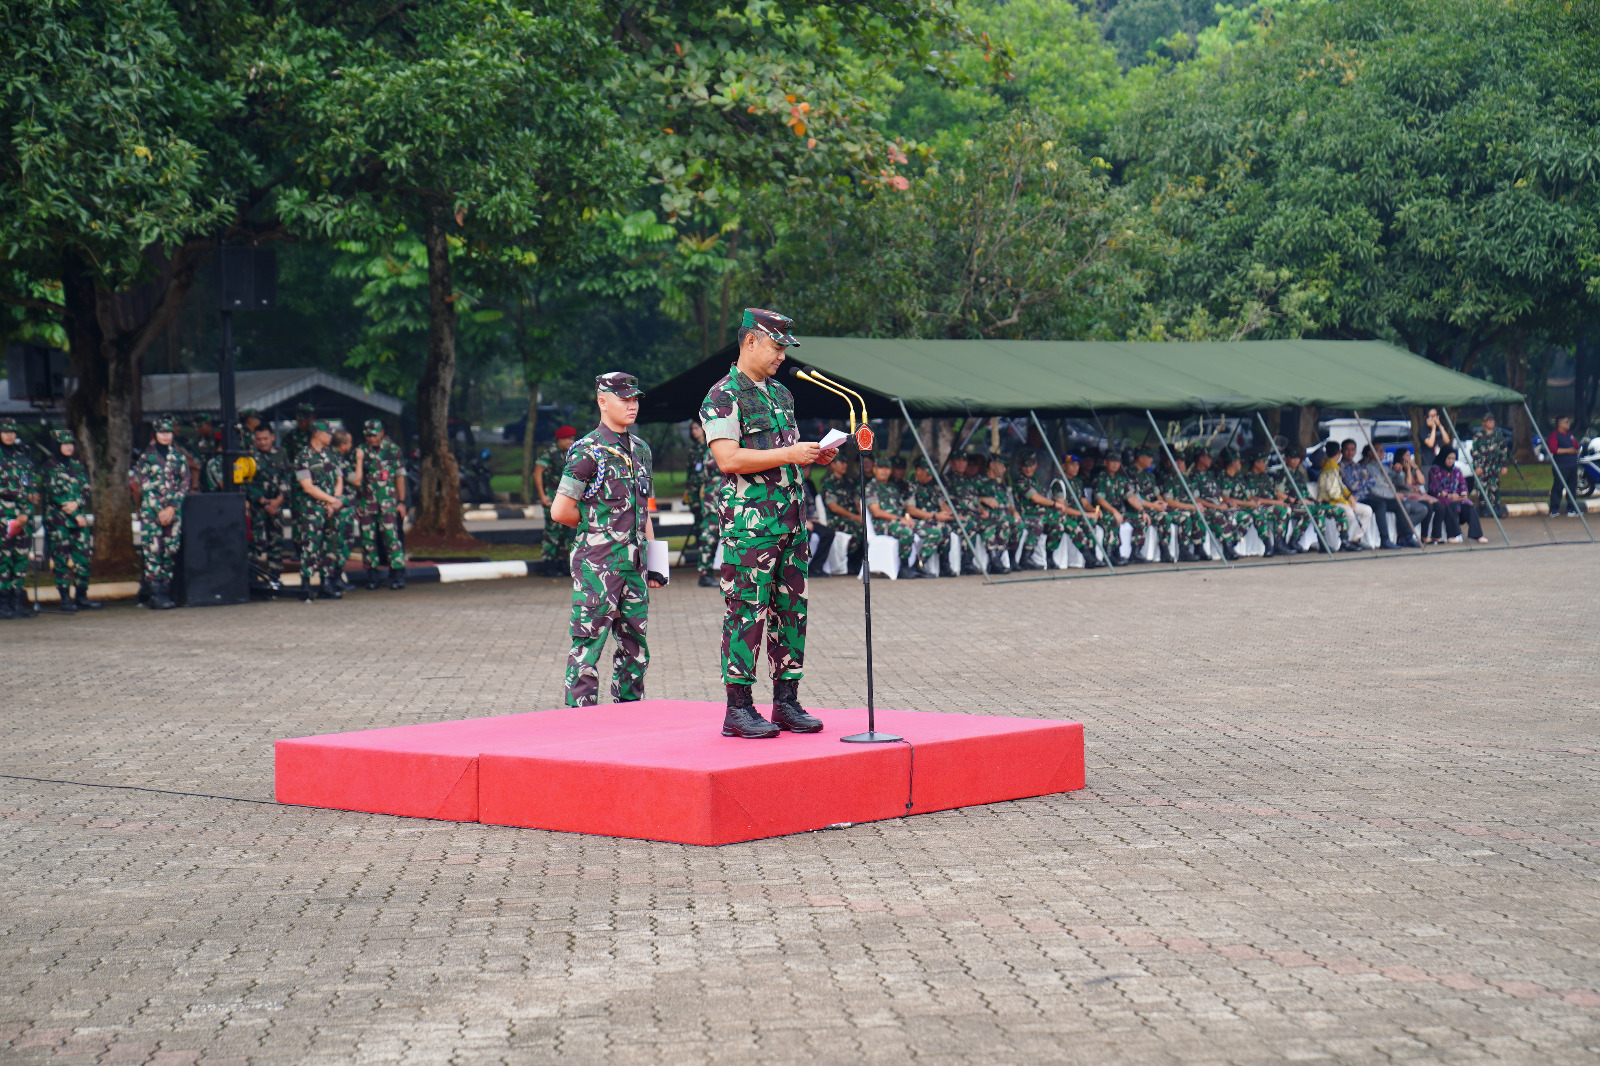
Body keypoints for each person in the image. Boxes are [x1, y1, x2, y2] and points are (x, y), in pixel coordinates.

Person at [698, 308, 837, 738]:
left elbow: (785, 456)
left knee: (791, 613)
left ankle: (786, 702)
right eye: (777, 346)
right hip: (752, 528)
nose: (781, 356)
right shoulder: (723, 395)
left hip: (792, 522)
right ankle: (738, 709)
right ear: (751, 341)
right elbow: (728, 458)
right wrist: (790, 454)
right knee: (747, 613)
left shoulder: (781, 394)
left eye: (785, 348)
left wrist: (812, 456)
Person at [552, 373, 663, 707]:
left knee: (636, 649)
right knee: (588, 646)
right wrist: (601, 528)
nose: (632, 406)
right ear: (602, 401)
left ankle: (629, 715)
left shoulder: (641, 450)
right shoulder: (587, 452)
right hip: (597, 565)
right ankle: (580, 721)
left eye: (635, 399)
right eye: (624, 399)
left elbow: (645, 512)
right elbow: (561, 510)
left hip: (635, 566)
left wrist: (656, 565)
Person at [132, 416, 189, 609]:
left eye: (168, 432)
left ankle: (164, 591)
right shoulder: (145, 458)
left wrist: (172, 508)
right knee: (153, 551)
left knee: (170, 550)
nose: (165, 436)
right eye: (162, 433)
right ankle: (154, 594)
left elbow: (184, 484)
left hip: (173, 513)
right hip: (152, 513)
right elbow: (145, 487)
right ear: (155, 435)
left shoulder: (179, 457)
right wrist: (160, 511)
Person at [42, 428, 99, 612]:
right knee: (61, 559)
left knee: (83, 558)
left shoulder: (77, 466)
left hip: (78, 520)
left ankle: (82, 596)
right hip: (59, 521)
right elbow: (54, 495)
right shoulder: (50, 467)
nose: (68, 447)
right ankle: (65, 598)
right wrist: (74, 512)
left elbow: (86, 489)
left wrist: (77, 504)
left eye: (70, 443)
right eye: (64, 444)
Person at [291, 420, 346, 601]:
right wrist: (332, 500)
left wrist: (334, 502)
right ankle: (306, 583)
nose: (331, 437)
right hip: (312, 509)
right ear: (317, 434)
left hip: (331, 509)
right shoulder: (303, 457)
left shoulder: (331, 455)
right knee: (311, 545)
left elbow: (339, 479)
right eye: (328, 434)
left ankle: (326, 583)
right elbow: (308, 487)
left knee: (330, 545)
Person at [356, 419, 407, 590]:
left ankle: (398, 574)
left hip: (388, 502)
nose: (371, 438)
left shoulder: (393, 450)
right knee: (368, 539)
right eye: (368, 435)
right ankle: (372, 576)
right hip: (367, 502)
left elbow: (399, 476)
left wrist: (401, 501)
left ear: (382, 432)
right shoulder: (360, 452)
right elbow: (356, 480)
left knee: (392, 537)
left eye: (374, 434)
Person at [0, 418, 39, 620]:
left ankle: (16, 602)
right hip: (3, 518)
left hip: (24, 517)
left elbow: (31, 487)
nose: (9, 435)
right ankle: (2, 603)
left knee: (20, 559)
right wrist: (21, 496)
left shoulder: (23, 458)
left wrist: (28, 506)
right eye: (5, 431)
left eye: (13, 432)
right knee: (3, 559)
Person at [245, 423, 290, 596]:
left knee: (276, 543)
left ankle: (274, 578)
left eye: (265, 438)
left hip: (277, 505)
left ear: (272, 437)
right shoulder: (249, 457)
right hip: (258, 507)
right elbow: (247, 483)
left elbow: (287, 477)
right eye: (258, 439)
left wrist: (278, 501)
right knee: (256, 544)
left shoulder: (281, 454)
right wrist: (264, 502)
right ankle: (253, 580)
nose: (262, 442)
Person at [865, 455, 921, 577]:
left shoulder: (892, 488)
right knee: (906, 532)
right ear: (874, 469)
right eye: (880, 468)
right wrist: (899, 519)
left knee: (928, 529)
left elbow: (901, 509)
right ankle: (904, 566)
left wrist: (907, 519)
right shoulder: (871, 488)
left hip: (897, 521)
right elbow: (877, 512)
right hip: (881, 524)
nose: (884, 471)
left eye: (887, 468)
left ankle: (919, 565)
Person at [535, 425, 578, 578]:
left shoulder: (569, 454)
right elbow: (537, 473)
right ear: (559, 439)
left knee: (565, 532)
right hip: (552, 498)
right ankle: (549, 563)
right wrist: (542, 495)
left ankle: (562, 562)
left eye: (572, 438)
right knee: (552, 531)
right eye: (568, 438)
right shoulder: (550, 453)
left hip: (566, 499)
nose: (571, 441)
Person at [682, 421, 722, 587]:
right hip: (713, 497)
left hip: (718, 495)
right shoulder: (713, 449)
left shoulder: (712, 447)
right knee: (709, 534)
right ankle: (705, 573)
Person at [1315, 441, 1370, 550]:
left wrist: (1350, 497)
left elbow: (1341, 486)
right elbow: (1333, 493)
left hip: (1340, 500)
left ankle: (1355, 539)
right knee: (1349, 514)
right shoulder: (1329, 467)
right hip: (1329, 502)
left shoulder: (1333, 465)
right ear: (1340, 452)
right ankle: (1344, 540)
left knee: (1367, 510)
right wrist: (1347, 502)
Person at [907, 457, 957, 577]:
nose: (930, 477)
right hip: (914, 520)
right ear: (918, 470)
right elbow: (911, 510)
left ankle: (944, 565)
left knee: (946, 528)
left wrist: (949, 514)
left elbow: (942, 504)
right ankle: (919, 565)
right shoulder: (910, 485)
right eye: (928, 474)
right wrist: (935, 516)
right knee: (935, 532)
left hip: (932, 519)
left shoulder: (932, 485)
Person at [1354, 444, 1409, 549]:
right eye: (1379, 451)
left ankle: (1407, 537)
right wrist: (1393, 495)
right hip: (1375, 496)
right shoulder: (1367, 467)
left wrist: (1399, 472)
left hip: (1387, 496)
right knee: (1381, 504)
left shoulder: (1383, 466)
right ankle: (1385, 539)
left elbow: (1400, 482)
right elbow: (1373, 488)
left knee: (1399, 505)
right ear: (1370, 453)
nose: (1382, 453)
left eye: (1383, 451)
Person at [1427, 449, 1486, 542]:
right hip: (1442, 498)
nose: (1451, 461)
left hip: (1457, 497)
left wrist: (1463, 494)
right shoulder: (1435, 470)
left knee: (1468, 504)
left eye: (1453, 458)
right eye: (1449, 458)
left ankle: (1477, 535)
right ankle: (1452, 535)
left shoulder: (1456, 470)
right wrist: (1449, 496)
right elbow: (1434, 488)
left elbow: (1463, 484)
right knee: (1450, 503)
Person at [972, 453, 1017, 574]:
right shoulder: (978, 481)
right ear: (992, 465)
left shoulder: (1000, 484)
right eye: (1002, 466)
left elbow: (1008, 503)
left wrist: (1015, 513)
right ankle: (994, 560)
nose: (1004, 470)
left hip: (1002, 517)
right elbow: (970, 498)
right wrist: (983, 500)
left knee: (1015, 524)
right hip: (985, 515)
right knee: (994, 523)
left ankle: (1002, 558)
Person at [328, 429, 359, 588]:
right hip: (342, 509)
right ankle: (336, 579)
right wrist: (359, 461)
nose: (351, 446)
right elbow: (357, 481)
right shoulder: (339, 460)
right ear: (342, 445)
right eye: (349, 443)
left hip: (336, 507)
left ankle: (335, 578)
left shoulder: (328, 457)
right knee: (341, 543)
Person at [1391, 446, 1441, 544]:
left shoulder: (1413, 468)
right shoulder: (1398, 469)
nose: (1410, 458)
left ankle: (1435, 535)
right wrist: (1408, 470)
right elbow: (1408, 485)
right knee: (1428, 506)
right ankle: (1424, 535)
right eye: (1407, 456)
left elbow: (1422, 481)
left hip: (1418, 494)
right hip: (1407, 495)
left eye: (1410, 455)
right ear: (1401, 457)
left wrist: (1415, 467)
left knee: (1439, 506)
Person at [1471, 413, 1509, 517]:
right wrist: (1476, 467)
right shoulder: (1478, 436)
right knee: (1482, 488)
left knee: (1495, 487)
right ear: (1483, 423)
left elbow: (1503, 451)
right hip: (1482, 467)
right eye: (1488, 421)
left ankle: (1496, 508)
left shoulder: (1498, 435)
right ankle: (1482, 509)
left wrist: (1504, 465)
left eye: (1492, 420)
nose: (1491, 422)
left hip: (1494, 467)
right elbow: (1474, 452)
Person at [1546, 415, 1581, 516]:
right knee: (1558, 487)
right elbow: (1554, 449)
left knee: (1572, 487)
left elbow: (1576, 445)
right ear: (1560, 424)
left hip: (1572, 464)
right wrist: (1568, 450)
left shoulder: (1569, 435)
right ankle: (1554, 509)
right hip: (1561, 465)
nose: (1568, 424)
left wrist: (1575, 449)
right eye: (1566, 422)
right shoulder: (1555, 436)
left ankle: (1571, 508)